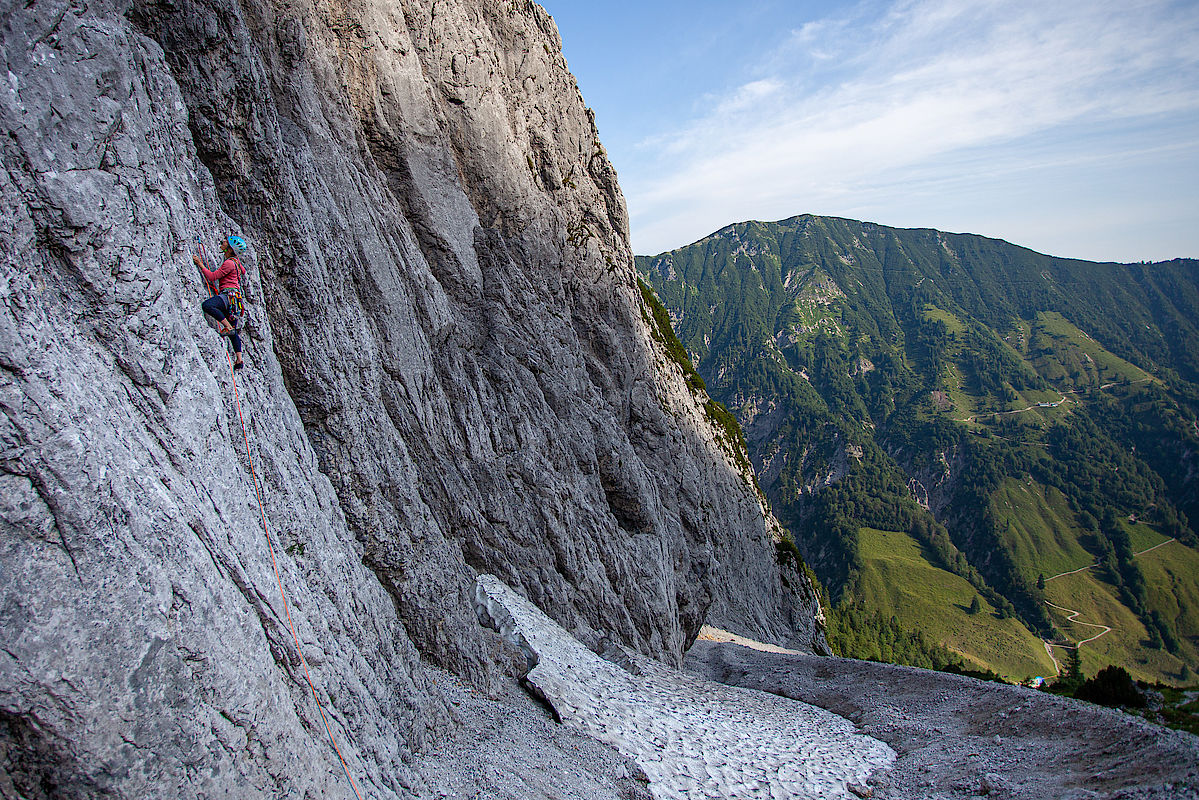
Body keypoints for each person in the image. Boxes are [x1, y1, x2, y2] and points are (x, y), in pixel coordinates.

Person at [195, 235, 249, 370]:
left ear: (230, 249)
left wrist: (200, 263)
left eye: (226, 242)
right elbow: (243, 271)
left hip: (228, 296)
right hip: (236, 300)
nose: (223, 242)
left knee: (207, 306)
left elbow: (212, 277)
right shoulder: (235, 262)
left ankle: (227, 326)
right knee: (234, 332)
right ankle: (239, 360)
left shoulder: (229, 263)